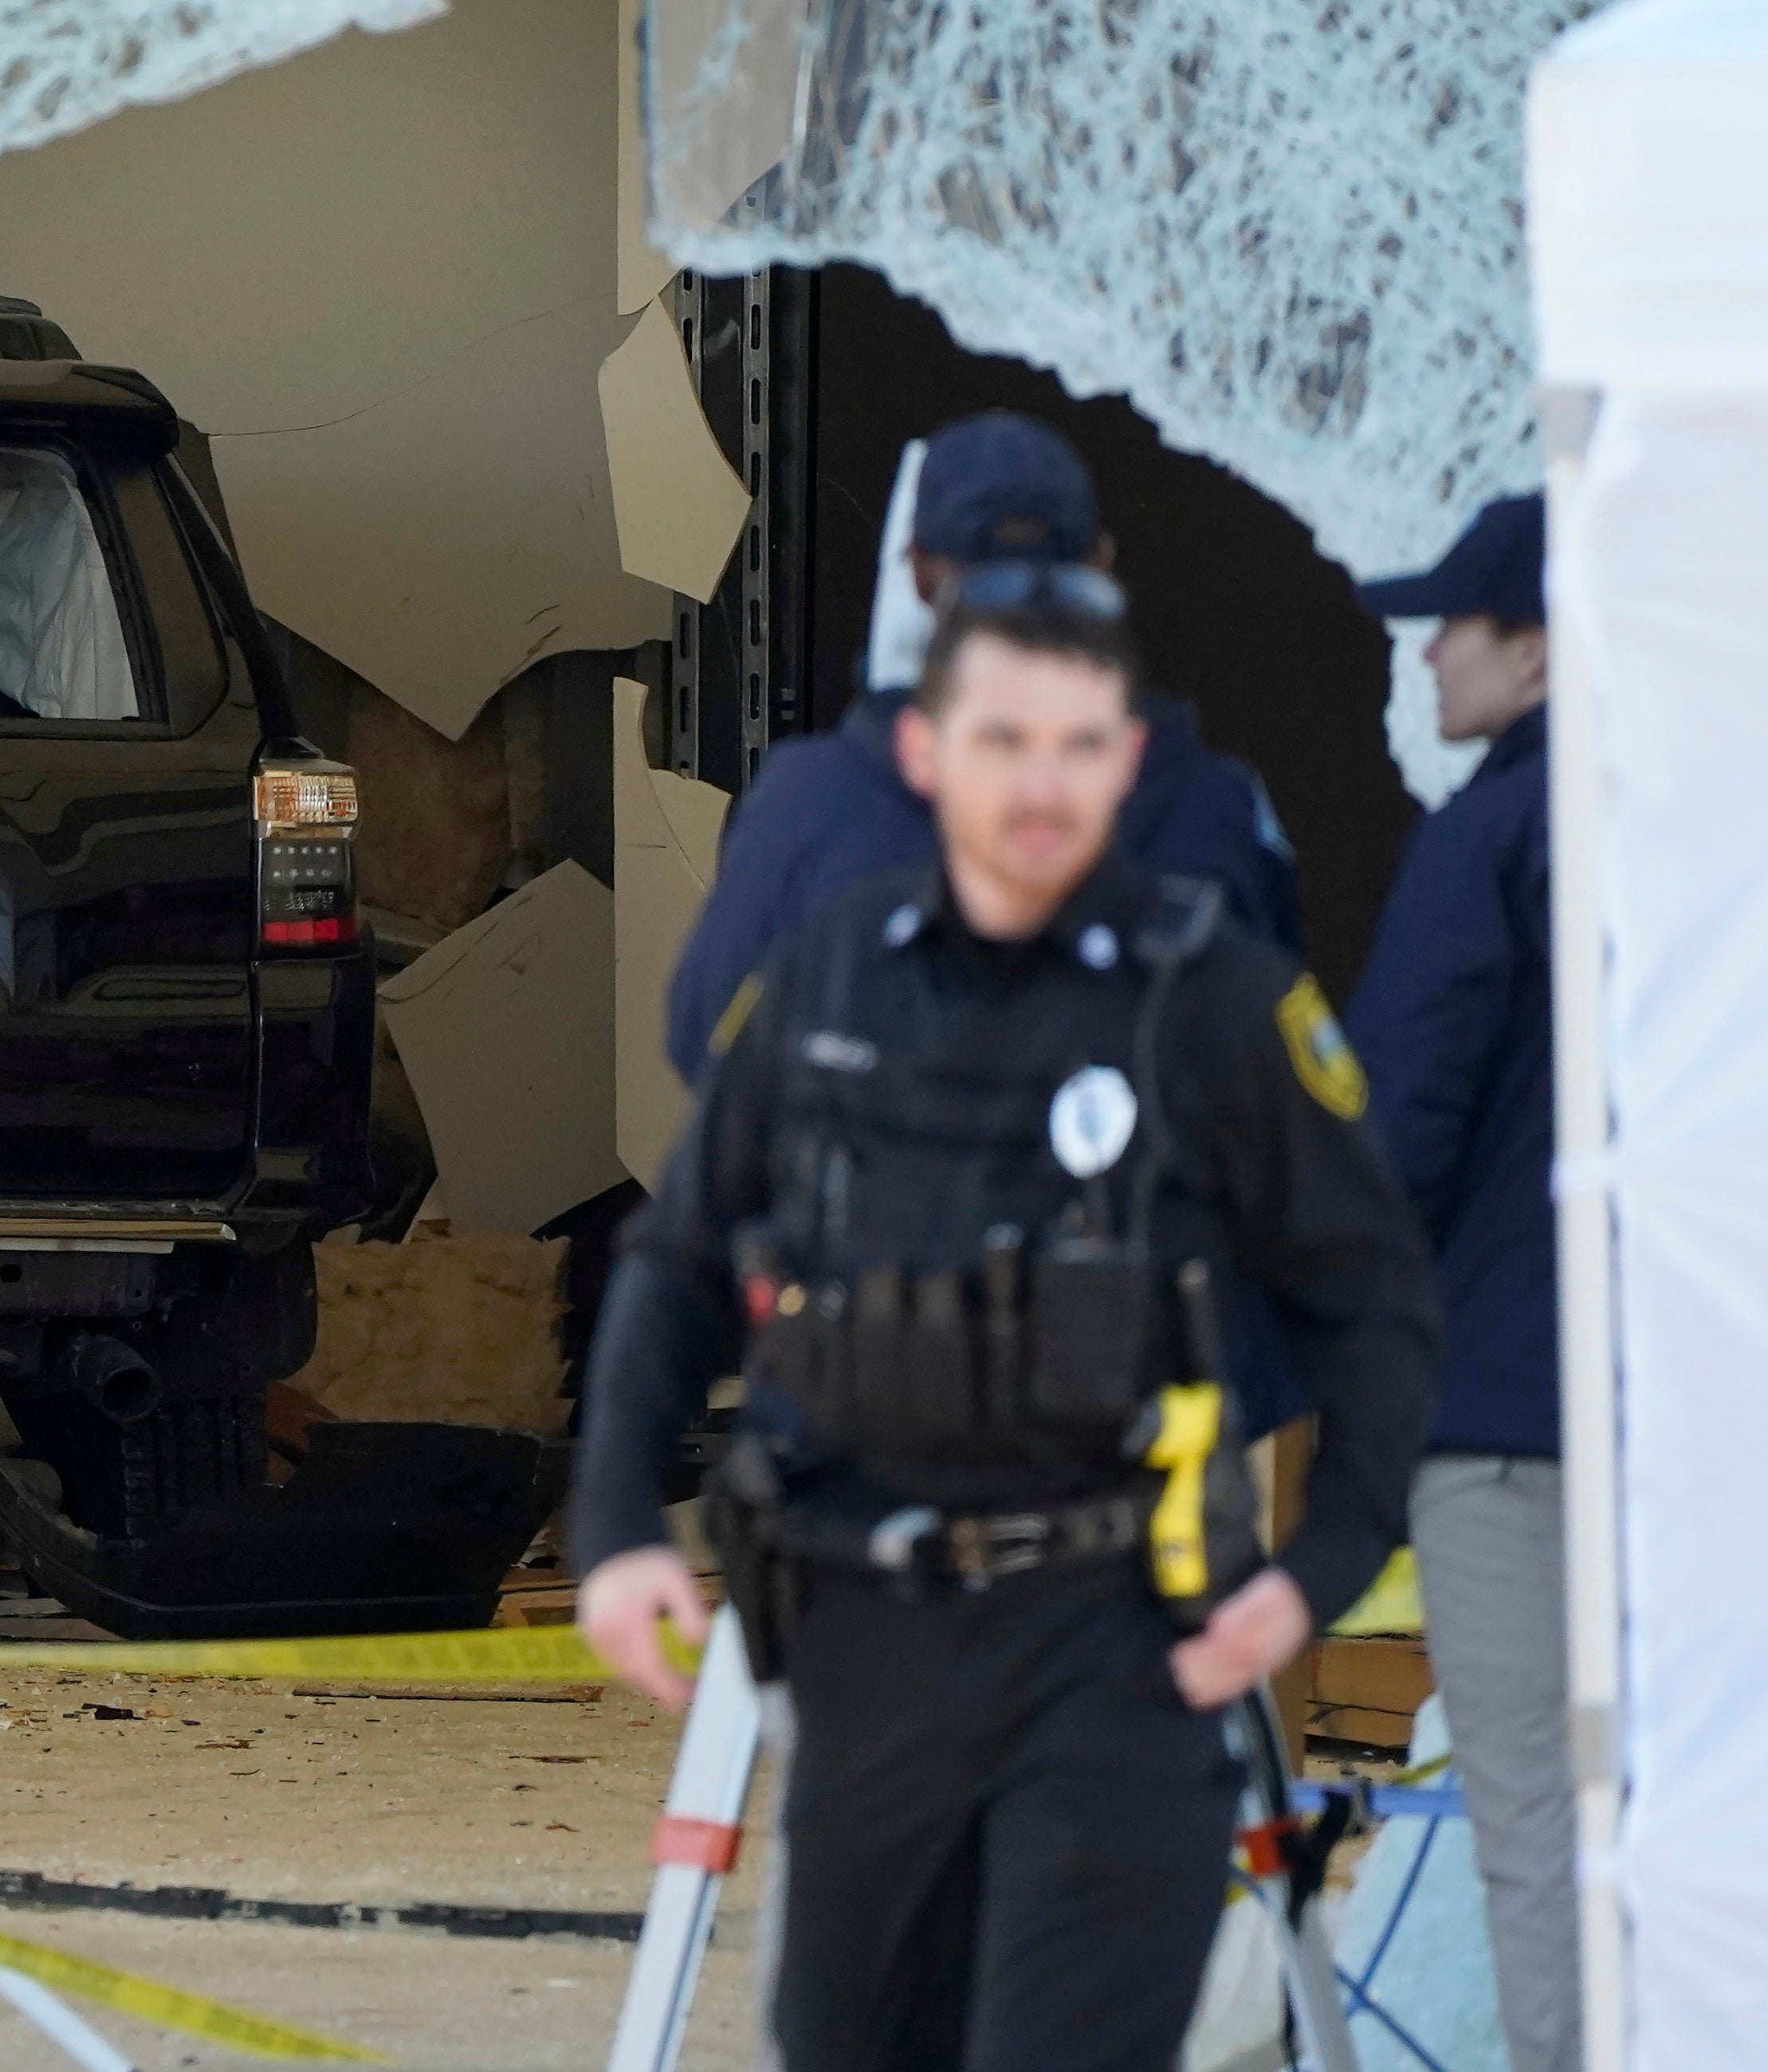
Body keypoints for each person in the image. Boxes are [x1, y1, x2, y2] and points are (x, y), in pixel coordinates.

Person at [576, 567, 1441, 2072]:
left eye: (1077, 744)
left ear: (1124, 756)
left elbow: (1373, 1303)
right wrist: (613, 1524)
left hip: (1111, 1648)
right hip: (864, 1641)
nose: (1039, 784)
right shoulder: (827, 976)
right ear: (924, 753)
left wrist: (1313, 1569)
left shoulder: (1213, 1005)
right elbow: (677, 1255)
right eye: (1001, 740)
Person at [662, 412, 1301, 1072]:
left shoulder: (807, 799)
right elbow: (1277, 1042)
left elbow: (703, 1040)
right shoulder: (1218, 800)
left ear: (918, 574)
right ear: (1101, 565)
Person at [1345, 493, 1570, 2072]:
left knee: (1538, 1811)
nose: (1426, 650)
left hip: (1504, 1419)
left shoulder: (1486, 837)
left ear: (1540, 646)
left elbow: (1388, 1135)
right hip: (1695, 1417)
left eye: (1458, 622)